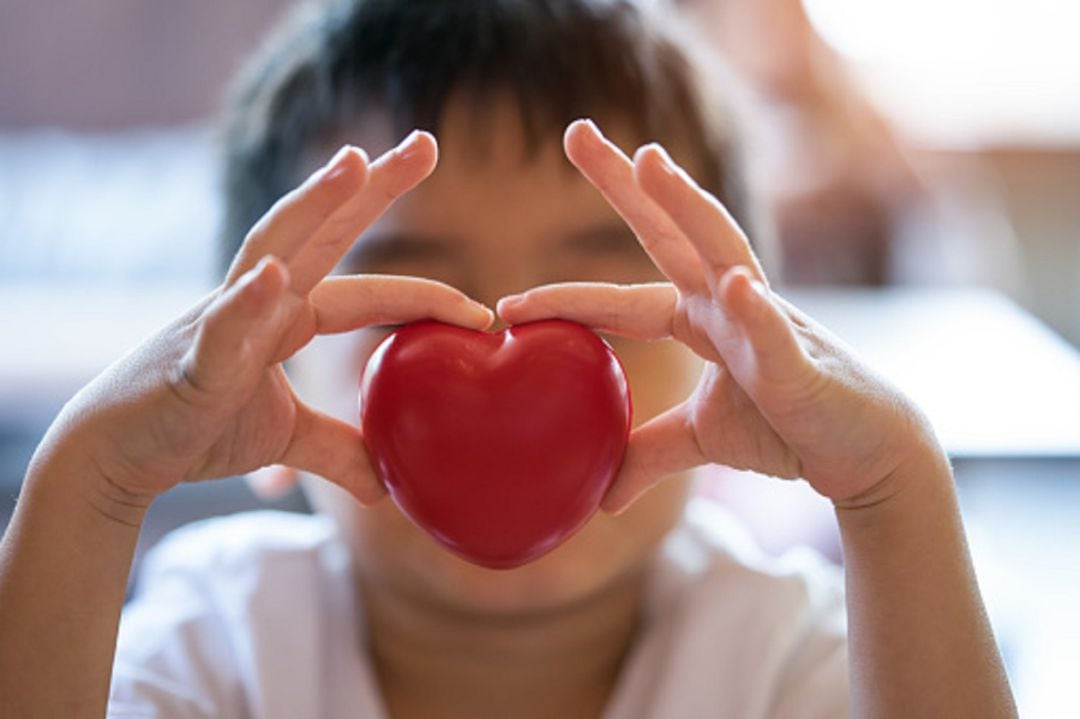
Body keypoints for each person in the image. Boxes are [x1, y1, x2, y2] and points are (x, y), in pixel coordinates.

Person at [0, 1, 1016, 717]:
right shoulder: (220, 640)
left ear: (726, 360)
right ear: (266, 370)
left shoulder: (777, 651)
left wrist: (894, 495)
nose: (506, 361)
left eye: (598, 307)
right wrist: (87, 486)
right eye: (410, 310)